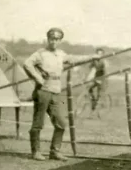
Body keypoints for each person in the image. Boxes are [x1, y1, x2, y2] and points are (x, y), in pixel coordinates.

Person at [23, 28, 101, 161]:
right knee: (38, 123)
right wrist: (38, 78)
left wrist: (92, 57)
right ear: (47, 39)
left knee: (61, 123)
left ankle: (55, 152)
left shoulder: (61, 54)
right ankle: (35, 151)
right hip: (42, 91)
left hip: (56, 91)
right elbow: (27, 64)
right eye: (51, 39)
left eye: (56, 39)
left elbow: (75, 59)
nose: (53, 41)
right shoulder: (40, 53)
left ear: (60, 41)